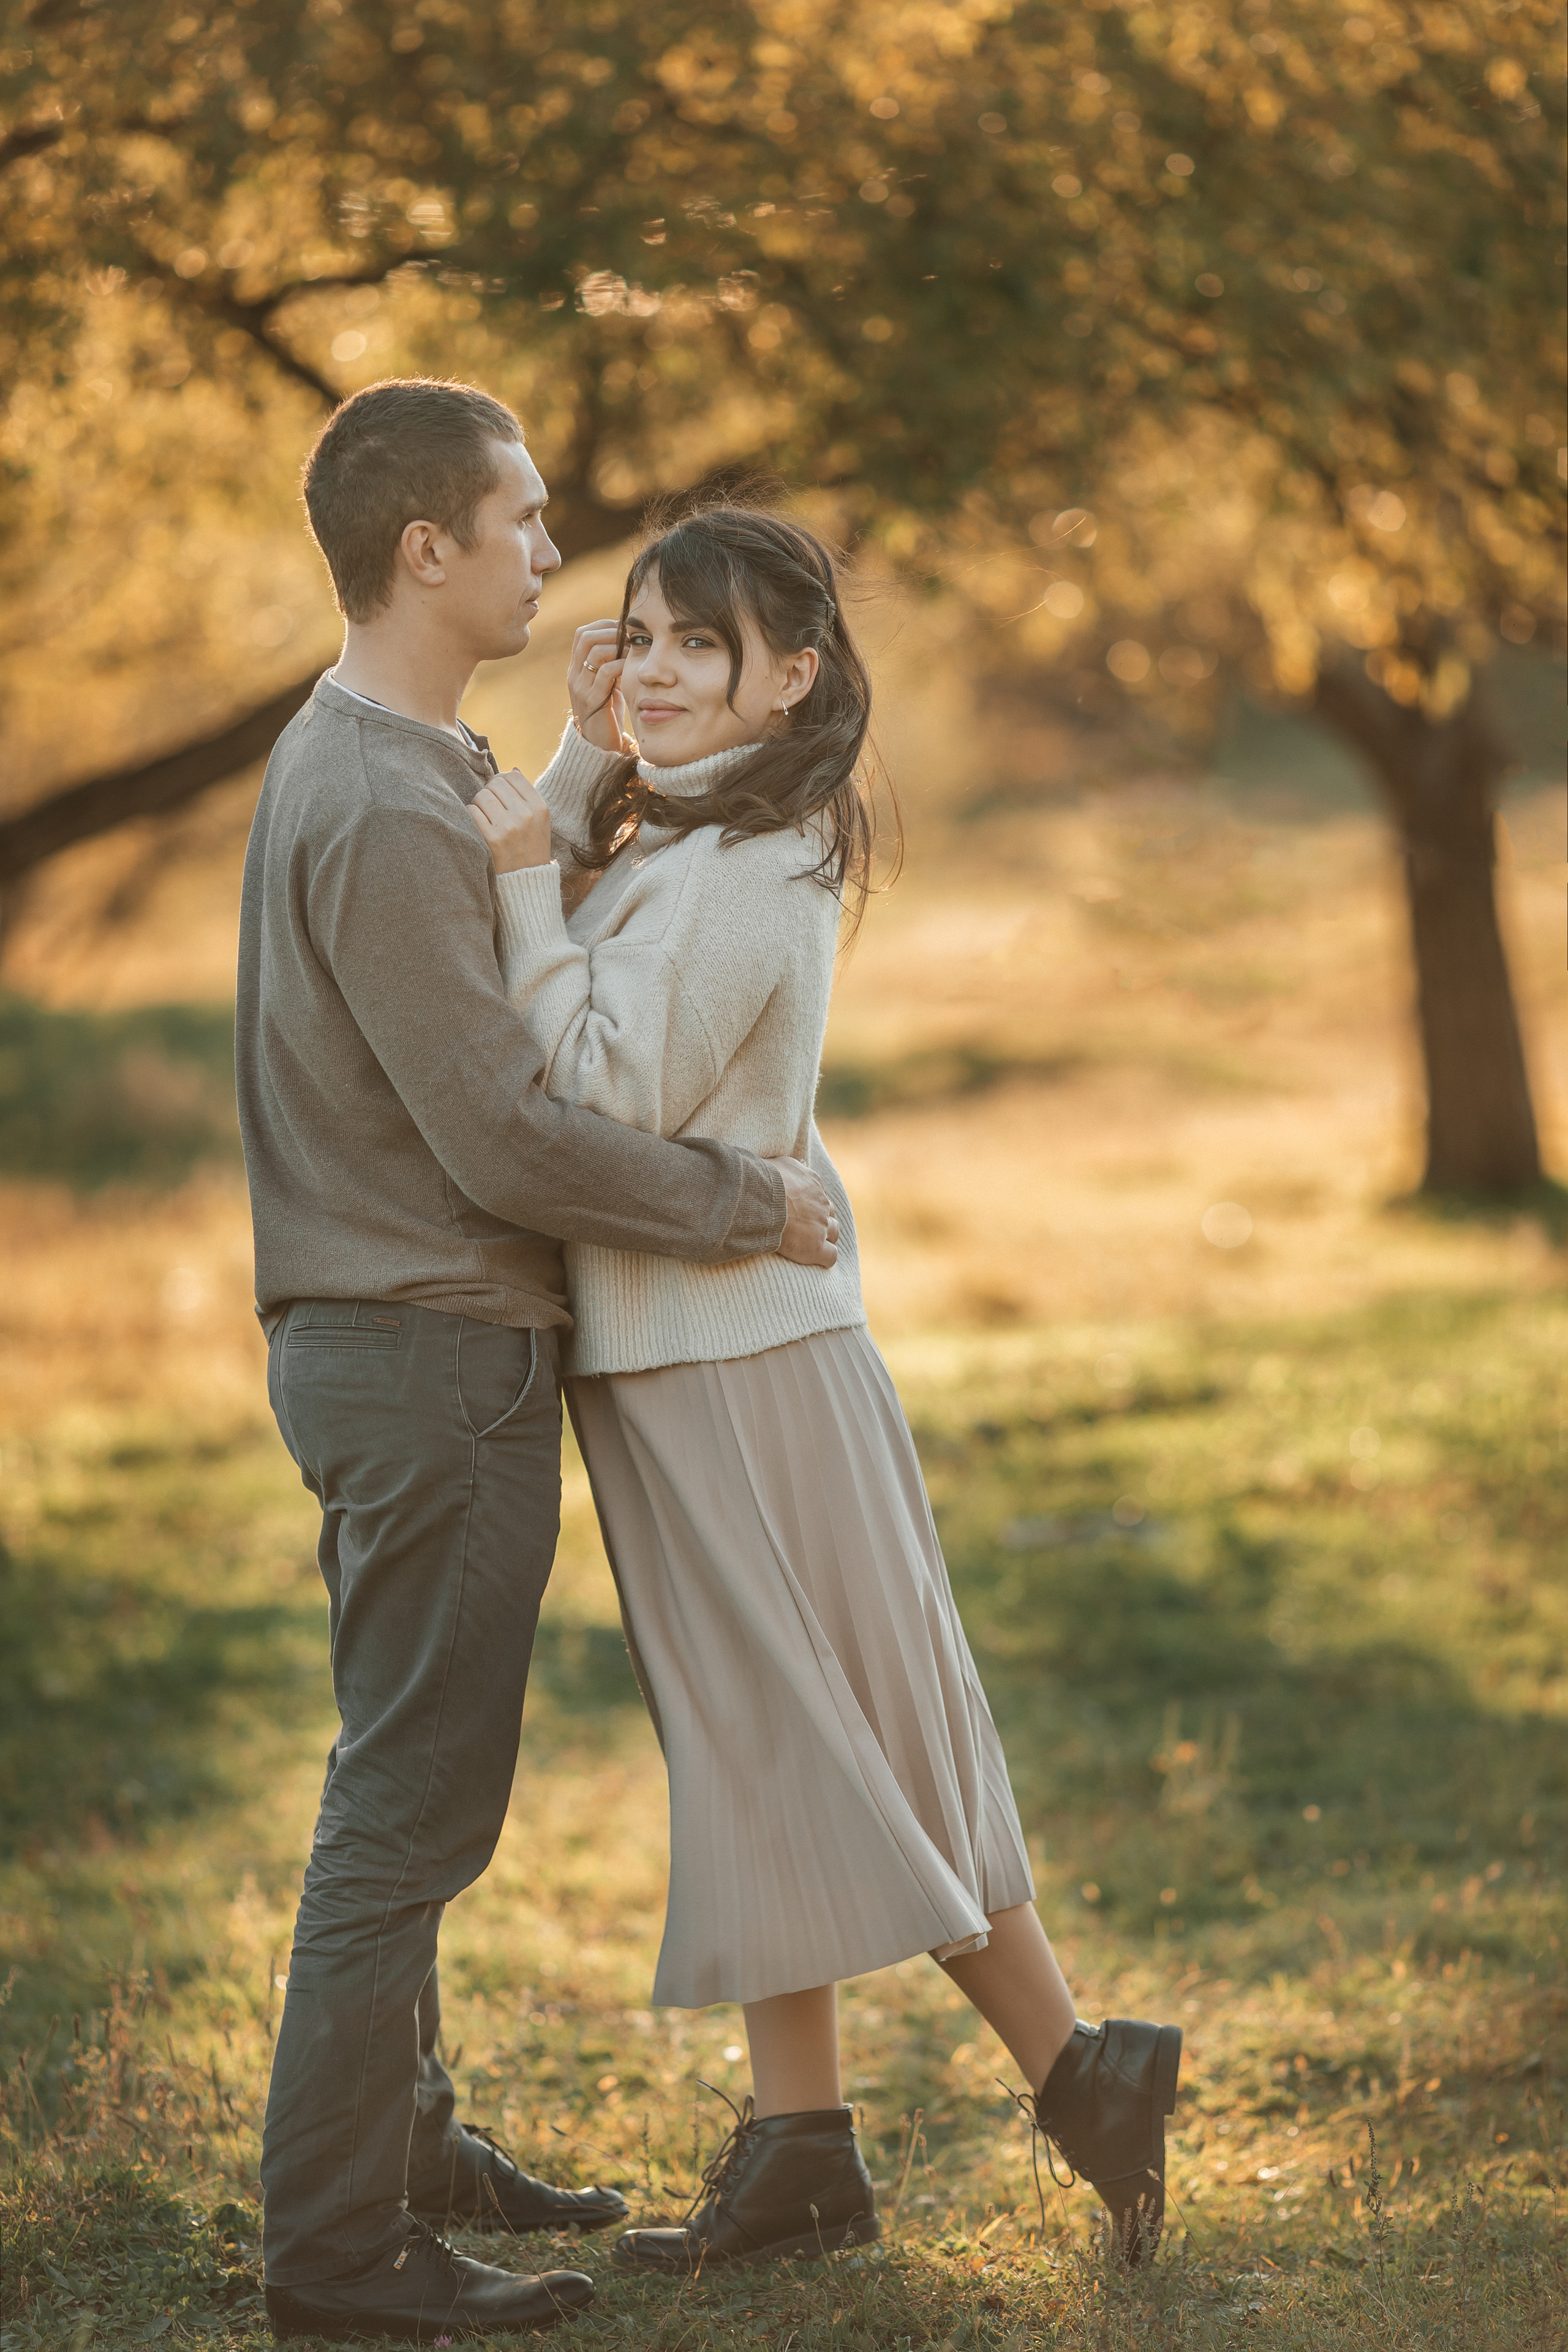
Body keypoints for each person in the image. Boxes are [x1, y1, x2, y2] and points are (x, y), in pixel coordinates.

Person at [467, 504, 1183, 2274]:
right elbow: (586, 927)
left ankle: (1028, 2086)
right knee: (794, 1739)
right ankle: (845, 2138)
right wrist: (569, 769)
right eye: (635, 636)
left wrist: (509, 872)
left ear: (795, 677)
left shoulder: (743, 873)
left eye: (696, 646)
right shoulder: (694, 834)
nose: (651, 671)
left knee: (798, 1740)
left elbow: (591, 1082)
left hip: (735, 1374)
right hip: (713, 1362)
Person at [236, 381, 840, 2344]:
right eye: (522, 518)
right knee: (411, 1814)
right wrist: (749, 1205)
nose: (551, 553)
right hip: (427, 1359)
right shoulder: (386, 798)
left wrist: (576, 771)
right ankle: (341, 2255)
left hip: (394, 1350)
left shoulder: (385, 761)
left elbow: (494, 943)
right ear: (429, 547)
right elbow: (504, 1133)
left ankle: (407, 2152)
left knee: (399, 1788)